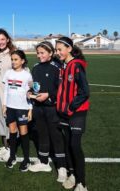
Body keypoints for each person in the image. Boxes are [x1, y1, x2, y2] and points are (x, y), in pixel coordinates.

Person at [27, 41, 67, 183]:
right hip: (38, 108)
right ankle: (44, 162)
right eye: (38, 53)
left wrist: (49, 95)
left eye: (42, 53)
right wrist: (30, 93)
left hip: (52, 109)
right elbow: (34, 87)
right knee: (42, 134)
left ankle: (62, 167)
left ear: (50, 53)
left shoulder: (57, 68)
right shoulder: (36, 68)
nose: (39, 55)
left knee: (56, 136)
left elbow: (61, 89)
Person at [55, 37, 90, 191]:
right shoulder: (63, 66)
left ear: (69, 48)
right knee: (67, 145)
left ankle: (82, 184)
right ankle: (72, 175)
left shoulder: (76, 66)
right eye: (56, 50)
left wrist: (71, 106)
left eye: (60, 49)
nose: (57, 52)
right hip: (64, 113)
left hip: (76, 113)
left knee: (75, 145)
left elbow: (85, 92)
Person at [2, 50, 32, 171]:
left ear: (22, 61)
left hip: (22, 108)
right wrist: (4, 105)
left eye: (16, 59)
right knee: (12, 132)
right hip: (10, 107)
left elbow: (31, 93)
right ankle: (12, 156)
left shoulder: (27, 75)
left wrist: (30, 109)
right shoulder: (8, 73)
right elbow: (6, 90)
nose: (13, 62)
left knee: (23, 133)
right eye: (12, 59)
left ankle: (26, 159)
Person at [0, 28, 16, 161]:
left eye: (3, 39)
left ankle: (12, 150)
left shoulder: (12, 53)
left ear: (7, 40)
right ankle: (6, 147)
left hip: (8, 93)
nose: (0, 42)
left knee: (8, 121)